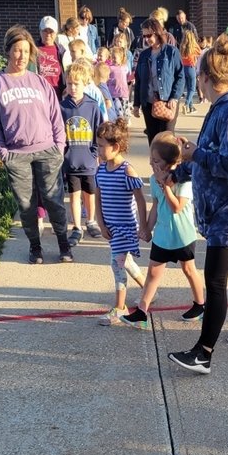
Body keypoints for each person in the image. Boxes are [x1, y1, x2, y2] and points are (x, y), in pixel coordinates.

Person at [167, 36, 228, 375]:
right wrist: (180, 170)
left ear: (207, 78)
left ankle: (203, 353)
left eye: (198, 77)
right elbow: (207, 153)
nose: (197, 83)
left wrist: (197, 155)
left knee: (214, 280)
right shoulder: (223, 107)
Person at [0, 25, 73, 264]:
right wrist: (3, 153)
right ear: (8, 51)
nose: (21, 56)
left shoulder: (39, 82)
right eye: (16, 50)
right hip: (16, 155)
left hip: (47, 151)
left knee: (54, 201)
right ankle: (35, 247)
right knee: (26, 205)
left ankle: (64, 244)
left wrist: (59, 146)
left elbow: (55, 116)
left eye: (25, 50)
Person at [120, 132, 205, 329]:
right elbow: (156, 206)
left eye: (155, 160)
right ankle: (141, 312)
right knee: (153, 273)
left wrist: (165, 185)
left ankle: (200, 304)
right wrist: (147, 228)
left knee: (189, 269)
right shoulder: (153, 178)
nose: (151, 163)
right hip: (163, 236)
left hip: (182, 235)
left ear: (169, 162)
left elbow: (176, 207)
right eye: (150, 159)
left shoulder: (184, 180)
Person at [94, 119, 148, 325]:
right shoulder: (100, 170)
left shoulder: (127, 171)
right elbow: (97, 198)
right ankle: (149, 288)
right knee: (126, 262)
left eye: (101, 146)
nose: (97, 149)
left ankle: (119, 308)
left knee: (117, 263)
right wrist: (101, 224)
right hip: (111, 227)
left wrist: (143, 226)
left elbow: (141, 200)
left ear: (115, 147)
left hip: (126, 228)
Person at [61, 60, 103, 243]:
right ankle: (77, 226)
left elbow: (99, 131)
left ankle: (91, 221)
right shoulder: (62, 107)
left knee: (90, 193)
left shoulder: (92, 106)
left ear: (85, 83)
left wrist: (96, 154)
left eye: (76, 84)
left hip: (89, 160)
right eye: (69, 83)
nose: (73, 87)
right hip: (71, 161)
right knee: (74, 194)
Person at [132, 18, 184, 143]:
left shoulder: (171, 52)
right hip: (148, 103)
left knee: (167, 140)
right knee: (153, 140)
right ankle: (155, 163)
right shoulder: (144, 55)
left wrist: (174, 97)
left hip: (167, 102)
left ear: (157, 33)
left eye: (149, 35)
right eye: (144, 36)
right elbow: (139, 81)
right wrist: (136, 104)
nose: (146, 39)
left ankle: (170, 163)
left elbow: (180, 76)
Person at [179, 29, 202, 113]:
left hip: (183, 68)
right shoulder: (193, 46)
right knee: (192, 89)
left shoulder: (182, 46)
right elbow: (200, 52)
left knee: (188, 88)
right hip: (191, 68)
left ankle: (191, 107)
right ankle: (186, 104)